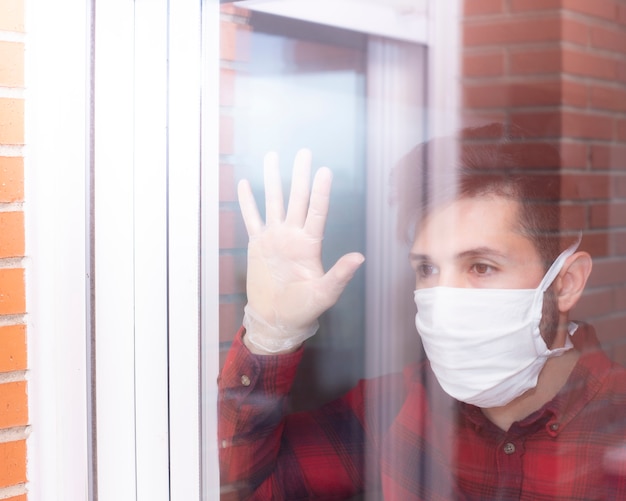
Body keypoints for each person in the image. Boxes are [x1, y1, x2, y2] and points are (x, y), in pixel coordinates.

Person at [218, 125, 626, 500]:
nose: (446, 299)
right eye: (427, 269)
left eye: (481, 267)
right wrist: (269, 337)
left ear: (566, 282)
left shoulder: (615, 426)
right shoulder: (395, 408)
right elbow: (247, 487)